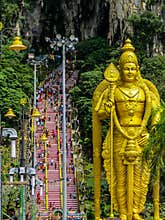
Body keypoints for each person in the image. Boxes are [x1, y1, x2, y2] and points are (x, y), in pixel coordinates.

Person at [92, 39, 160, 220]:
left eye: (132, 68)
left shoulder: (145, 91)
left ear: (137, 69)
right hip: (118, 136)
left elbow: (156, 113)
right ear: (120, 70)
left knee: (140, 175)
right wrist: (107, 109)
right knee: (119, 177)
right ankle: (122, 211)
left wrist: (151, 132)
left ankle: (136, 210)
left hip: (140, 134)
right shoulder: (113, 90)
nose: (129, 71)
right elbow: (99, 113)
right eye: (126, 68)